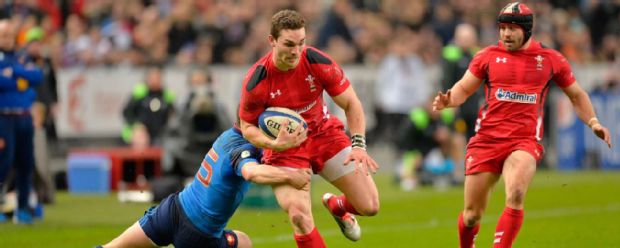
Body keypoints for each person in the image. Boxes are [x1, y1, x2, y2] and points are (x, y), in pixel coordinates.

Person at [432, 3, 613, 248]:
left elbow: (577, 95)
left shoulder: (550, 59)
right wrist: (448, 100)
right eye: (502, 28)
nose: (506, 34)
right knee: (472, 215)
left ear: (527, 30)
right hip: (486, 140)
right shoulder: (487, 56)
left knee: (515, 193)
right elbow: (463, 89)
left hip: (523, 142)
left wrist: (593, 122)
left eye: (512, 28)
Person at [238, 10, 379, 247]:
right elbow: (247, 127)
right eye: (289, 44)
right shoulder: (257, 80)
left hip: (325, 134)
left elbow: (351, 103)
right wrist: (275, 144)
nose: (296, 51)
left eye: (301, 43)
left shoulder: (316, 61)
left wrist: (358, 145)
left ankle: (338, 206)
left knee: (370, 206)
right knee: (299, 215)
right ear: (272, 41)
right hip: (285, 149)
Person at [101, 125, 312, 248]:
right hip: (198, 235)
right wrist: (291, 176)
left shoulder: (229, 134)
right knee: (245, 242)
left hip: (171, 210)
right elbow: (252, 172)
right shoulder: (243, 149)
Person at [0, 19, 44, 224]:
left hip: (24, 118)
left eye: (9, 34)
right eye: (3, 35)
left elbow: (36, 76)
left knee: (26, 164)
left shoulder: (20, 56)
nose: (6, 39)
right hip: (4, 118)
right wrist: (19, 81)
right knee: (3, 164)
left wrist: (15, 75)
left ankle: (23, 207)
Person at [122, 65, 175, 149]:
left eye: (157, 77)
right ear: (147, 79)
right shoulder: (139, 94)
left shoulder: (167, 96)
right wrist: (136, 125)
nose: (155, 80)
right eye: (152, 78)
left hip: (161, 134)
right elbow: (127, 113)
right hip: (141, 134)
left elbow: (173, 115)